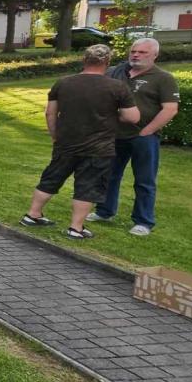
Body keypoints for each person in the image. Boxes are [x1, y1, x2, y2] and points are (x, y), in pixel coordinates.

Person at [22, 45, 139, 239]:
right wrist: (112, 114)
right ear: (107, 62)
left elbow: (50, 113)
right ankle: (76, 228)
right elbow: (132, 117)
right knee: (88, 186)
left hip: (65, 143)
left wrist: (55, 135)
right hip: (98, 147)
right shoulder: (117, 87)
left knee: (51, 178)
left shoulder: (63, 83)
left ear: (84, 60)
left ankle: (33, 214)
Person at [92, 37, 180, 235]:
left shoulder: (163, 78)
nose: (136, 55)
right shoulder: (115, 72)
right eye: (133, 51)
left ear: (155, 55)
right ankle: (104, 211)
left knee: (144, 180)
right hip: (114, 134)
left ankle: (143, 221)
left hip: (143, 137)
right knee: (108, 175)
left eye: (142, 52)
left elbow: (170, 109)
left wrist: (147, 131)